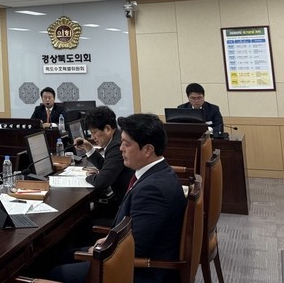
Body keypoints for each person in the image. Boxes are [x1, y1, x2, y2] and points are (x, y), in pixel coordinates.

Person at [47, 113, 187, 283]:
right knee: (65, 254)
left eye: (126, 144)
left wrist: (102, 248)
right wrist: (108, 240)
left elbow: (137, 247)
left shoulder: (153, 190)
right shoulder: (159, 172)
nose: (121, 148)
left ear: (148, 150)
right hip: (129, 251)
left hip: (142, 272)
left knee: (57, 272)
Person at [74, 106, 134, 219]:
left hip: (127, 209)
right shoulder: (116, 139)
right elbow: (108, 166)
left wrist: (88, 177)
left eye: (94, 132)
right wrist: (89, 148)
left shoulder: (116, 145)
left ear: (107, 128)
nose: (92, 137)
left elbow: (102, 181)